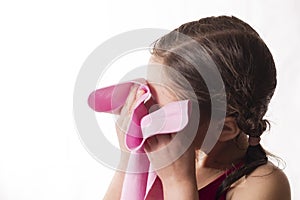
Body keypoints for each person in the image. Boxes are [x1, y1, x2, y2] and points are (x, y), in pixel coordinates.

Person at [104, 16, 291, 200]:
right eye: (145, 93)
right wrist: (128, 161)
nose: (143, 112)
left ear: (224, 128)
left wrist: (177, 183)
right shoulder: (162, 154)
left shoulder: (261, 185)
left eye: (161, 112)